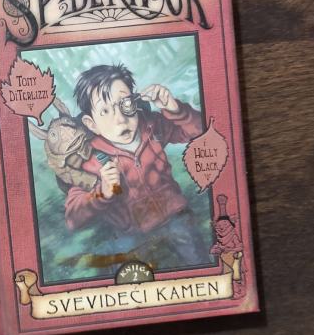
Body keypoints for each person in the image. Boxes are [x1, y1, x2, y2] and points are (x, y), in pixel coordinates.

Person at [65, 63, 209, 268]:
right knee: (130, 274)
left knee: (199, 262)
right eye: (105, 111)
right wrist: (102, 192)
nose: (120, 119)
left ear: (135, 101)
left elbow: (202, 132)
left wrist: (175, 109)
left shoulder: (152, 125)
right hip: (131, 233)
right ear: (91, 124)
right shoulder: (90, 159)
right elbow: (73, 217)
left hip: (174, 215)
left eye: (125, 104)